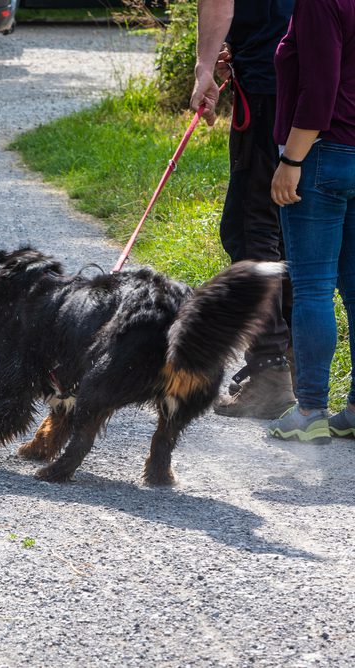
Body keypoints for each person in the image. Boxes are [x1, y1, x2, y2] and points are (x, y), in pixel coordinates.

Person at [190, 0, 296, 419]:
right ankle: (291, 357)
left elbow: (220, 2)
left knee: (252, 230)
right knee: (291, 224)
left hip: (270, 84)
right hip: (317, 82)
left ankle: (270, 373)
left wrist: (203, 70)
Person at [266, 0, 355, 444]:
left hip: (321, 156)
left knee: (314, 286)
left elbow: (320, 88)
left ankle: (310, 410)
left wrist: (291, 159)